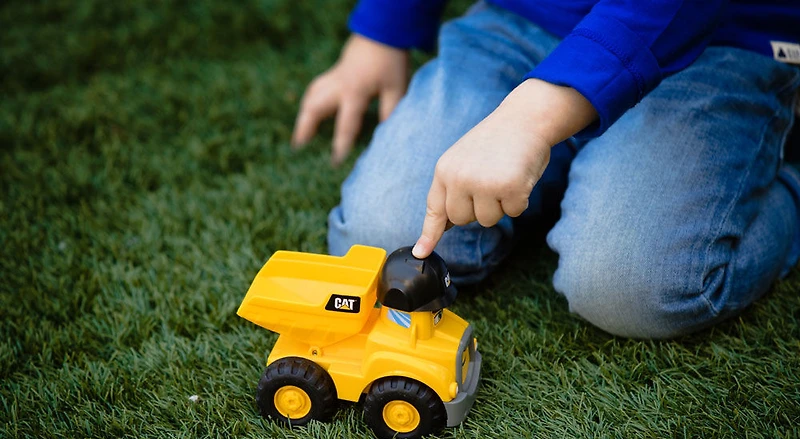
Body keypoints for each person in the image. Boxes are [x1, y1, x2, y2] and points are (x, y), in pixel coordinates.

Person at [291, 0, 800, 339]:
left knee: (631, 287)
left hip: (715, 41)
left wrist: (529, 121)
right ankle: (567, 167)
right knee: (381, 238)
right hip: (526, 17)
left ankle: (785, 182)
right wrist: (384, 30)